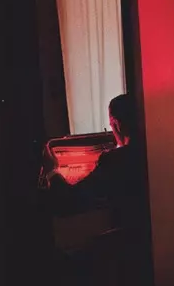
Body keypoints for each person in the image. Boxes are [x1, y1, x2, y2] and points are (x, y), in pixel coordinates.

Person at [43, 93, 144, 229]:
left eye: (111, 125)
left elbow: (67, 201)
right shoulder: (152, 151)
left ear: (117, 124)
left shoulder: (114, 160)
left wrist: (52, 170)